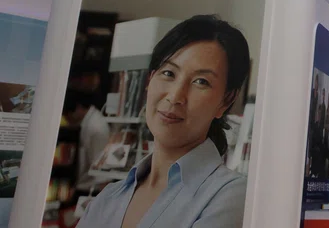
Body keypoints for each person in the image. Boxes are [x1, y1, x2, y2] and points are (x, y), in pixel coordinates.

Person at [78, 15, 251, 228]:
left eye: (201, 81)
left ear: (226, 100)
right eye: (168, 73)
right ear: (150, 80)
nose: (175, 96)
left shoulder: (231, 196)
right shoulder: (108, 198)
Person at [63, 91, 111, 193]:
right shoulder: (88, 123)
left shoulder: (96, 127)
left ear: (79, 108)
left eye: (67, 114)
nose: (67, 119)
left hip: (92, 190)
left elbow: (101, 168)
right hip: (85, 186)